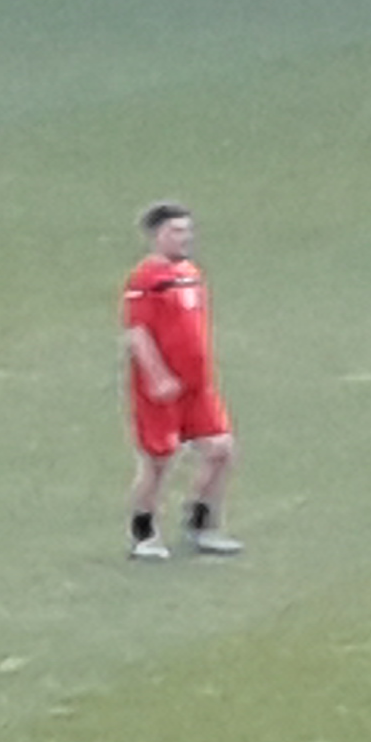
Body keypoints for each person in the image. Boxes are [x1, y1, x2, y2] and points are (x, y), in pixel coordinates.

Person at [121, 204, 242, 560]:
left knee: (221, 450)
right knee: (158, 462)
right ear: (157, 236)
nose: (185, 237)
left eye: (187, 230)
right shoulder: (145, 280)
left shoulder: (191, 273)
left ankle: (201, 524)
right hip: (161, 389)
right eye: (176, 231)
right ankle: (143, 534)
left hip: (197, 385)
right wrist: (158, 376)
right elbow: (137, 333)